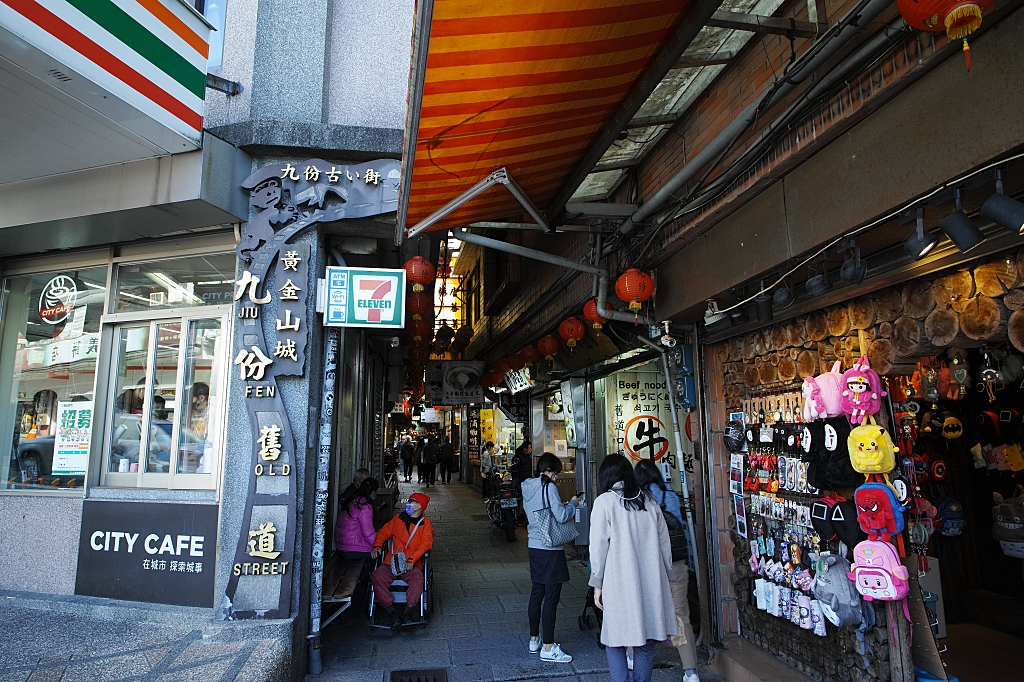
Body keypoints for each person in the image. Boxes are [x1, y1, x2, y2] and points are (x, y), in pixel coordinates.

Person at [589, 454, 677, 682]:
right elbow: (664, 543)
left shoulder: (604, 503)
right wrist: (668, 575)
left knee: (614, 641)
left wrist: (596, 584)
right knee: (645, 643)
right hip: (651, 583)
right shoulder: (649, 501)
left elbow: (597, 548)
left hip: (618, 584)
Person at [634, 460, 699, 682]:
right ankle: (690, 671)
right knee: (681, 615)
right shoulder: (669, 496)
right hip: (676, 564)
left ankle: (634, 656)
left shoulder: (638, 501)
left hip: (649, 566)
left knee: (642, 611)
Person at [522, 452, 579, 663]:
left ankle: (534, 640)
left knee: (537, 593)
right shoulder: (549, 488)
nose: (556, 477)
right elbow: (562, 516)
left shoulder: (528, 486)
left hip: (533, 545)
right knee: (551, 598)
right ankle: (548, 647)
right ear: (550, 471)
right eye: (555, 473)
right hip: (550, 549)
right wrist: (572, 503)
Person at [371, 492, 434, 628]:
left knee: (418, 580)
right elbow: (383, 532)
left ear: (419, 506)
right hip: (391, 563)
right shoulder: (398, 519)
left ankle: (408, 611)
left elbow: (426, 543)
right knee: (377, 577)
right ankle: (390, 610)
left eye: (412, 501)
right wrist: (377, 545)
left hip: (411, 565)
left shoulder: (426, 524)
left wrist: (411, 560)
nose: (408, 503)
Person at [335, 476, 379, 559]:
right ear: (373, 493)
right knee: (380, 553)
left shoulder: (351, 500)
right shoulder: (364, 506)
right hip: (354, 549)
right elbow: (368, 533)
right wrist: (379, 544)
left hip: (340, 546)